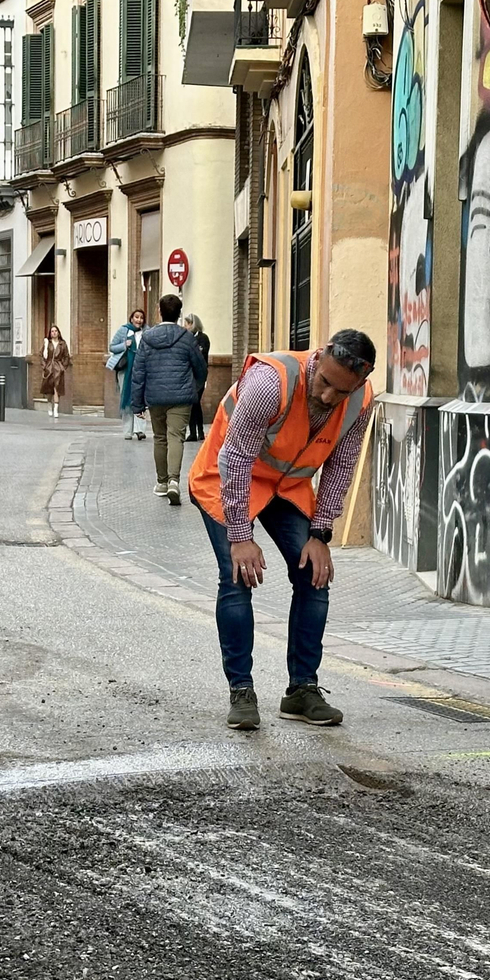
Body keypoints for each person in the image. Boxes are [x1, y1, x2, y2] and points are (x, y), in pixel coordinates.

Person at [188, 331, 375, 731]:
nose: (328, 397)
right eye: (325, 382)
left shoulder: (360, 401)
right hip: (224, 479)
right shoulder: (271, 383)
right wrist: (241, 536)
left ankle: (302, 690)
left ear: (360, 382)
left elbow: (341, 466)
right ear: (321, 355)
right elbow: (235, 459)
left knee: (314, 575)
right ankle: (241, 691)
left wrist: (320, 534)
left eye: (342, 391)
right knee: (237, 575)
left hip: (285, 486)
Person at [130, 294, 208, 506]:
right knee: (176, 437)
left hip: (155, 396)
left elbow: (139, 373)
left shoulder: (147, 338)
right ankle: (174, 481)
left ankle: (162, 482)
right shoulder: (186, 337)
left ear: (159, 312)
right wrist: (194, 388)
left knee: (160, 438)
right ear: (179, 314)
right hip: (181, 397)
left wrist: (137, 404)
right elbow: (200, 368)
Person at [107, 309, 147, 440]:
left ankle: (140, 429)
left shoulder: (146, 332)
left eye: (141, 318)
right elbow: (112, 347)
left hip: (141, 370)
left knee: (140, 398)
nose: (139, 320)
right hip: (125, 370)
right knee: (126, 398)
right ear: (131, 319)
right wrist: (124, 345)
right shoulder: (124, 330)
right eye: (136, 317)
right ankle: (127, 431)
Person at [184, 313, 211, 442]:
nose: (185, 326)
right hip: (189, 375)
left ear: (192, 324)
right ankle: (195, 432)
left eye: (187, 323)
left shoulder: (203, 338)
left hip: (199, 375)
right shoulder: (187, 338)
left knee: (195, 402)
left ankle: (198, 431)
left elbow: (200, 354)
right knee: (193, 403)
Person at [41, 325, 72, 419]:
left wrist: (63, 367)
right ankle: (49, 404)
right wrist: (44, 367)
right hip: (49, 368)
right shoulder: (48, 343)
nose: (54, 333)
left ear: (58, 332)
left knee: (56, 389)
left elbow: (66, 356)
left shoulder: (63, 344)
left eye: (55, 331)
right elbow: (42, 356)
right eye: (52, 331)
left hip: (58, 368)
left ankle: (56, 409)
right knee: (49, 390)